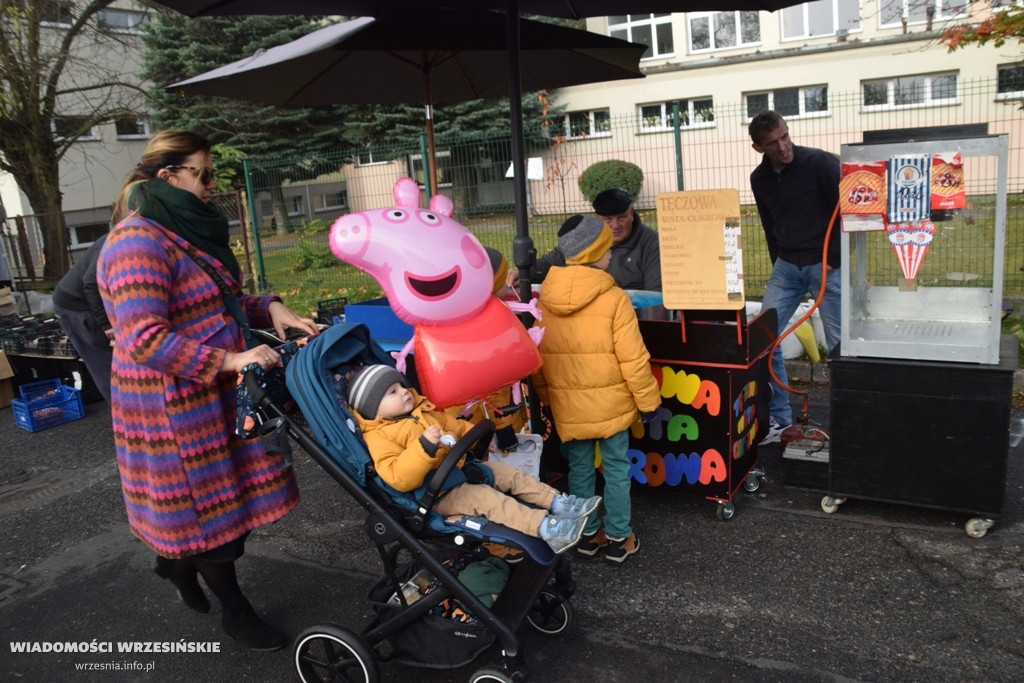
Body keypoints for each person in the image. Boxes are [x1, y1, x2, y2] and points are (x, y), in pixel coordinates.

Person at [96, 130, 319, 652]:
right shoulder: (136, 241)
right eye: (203, 173)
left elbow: (222, 298)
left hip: (211, 395)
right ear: (166, 176)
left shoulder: (181, 228)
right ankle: (235, 612)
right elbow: (144, 338)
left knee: (222, 509)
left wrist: (271, 307)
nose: (212, 185)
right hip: (170, 407)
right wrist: (231, 358)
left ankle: (174, 562)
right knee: (206, 518)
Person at [346, 364, 600, 554]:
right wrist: (423, 448)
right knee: (491, 501)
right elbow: (397, 477)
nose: (404, 392)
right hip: (437, 494)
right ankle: (548, 528)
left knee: (509, 474)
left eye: (402, 385)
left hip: (461, 470)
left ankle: (558, 503)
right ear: (372, 408)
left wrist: (477, 437)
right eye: (392, 392)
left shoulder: (422, 411)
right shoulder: (379, 437)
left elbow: (454, 425)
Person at [531, 215, 661, 564]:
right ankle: (619, 537)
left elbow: (538, 355)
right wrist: (649, 402)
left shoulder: (546, 298)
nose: (611, 255)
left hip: (568, 408)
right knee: (617, 468)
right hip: (611, 406)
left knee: (580, 470)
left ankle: (586, 536)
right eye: (607, 249)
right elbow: (633, 359)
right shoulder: (614, 298)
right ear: (598, 252)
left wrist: (547, 397)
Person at [748, 110, 841, 445]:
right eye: (773, 143)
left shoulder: (821, 163)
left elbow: (846, 211)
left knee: (839, 346)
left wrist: (833, 258)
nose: (783, 146)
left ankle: (848, 420)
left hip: (823, 264)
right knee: (764, 339)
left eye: (785, 136)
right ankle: (781, 421)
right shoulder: (759, 180)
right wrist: (778, 262)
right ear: (758, 147)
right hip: (786, 266)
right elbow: (768, 224)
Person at [508, 187, 662, 292]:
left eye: (621, 218)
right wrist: (524, 273)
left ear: (632, 213)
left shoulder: (652, 244)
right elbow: (551, 261)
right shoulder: (585, 236)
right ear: (596, 218)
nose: (615, 225)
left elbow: (655, 296)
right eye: (607, 219)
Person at [51, 234, 114, 404]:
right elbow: (90, 283)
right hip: (74, 305)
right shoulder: (115, 241)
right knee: (105, 365)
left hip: (85, 302)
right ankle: (127, 422)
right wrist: (106, 324)